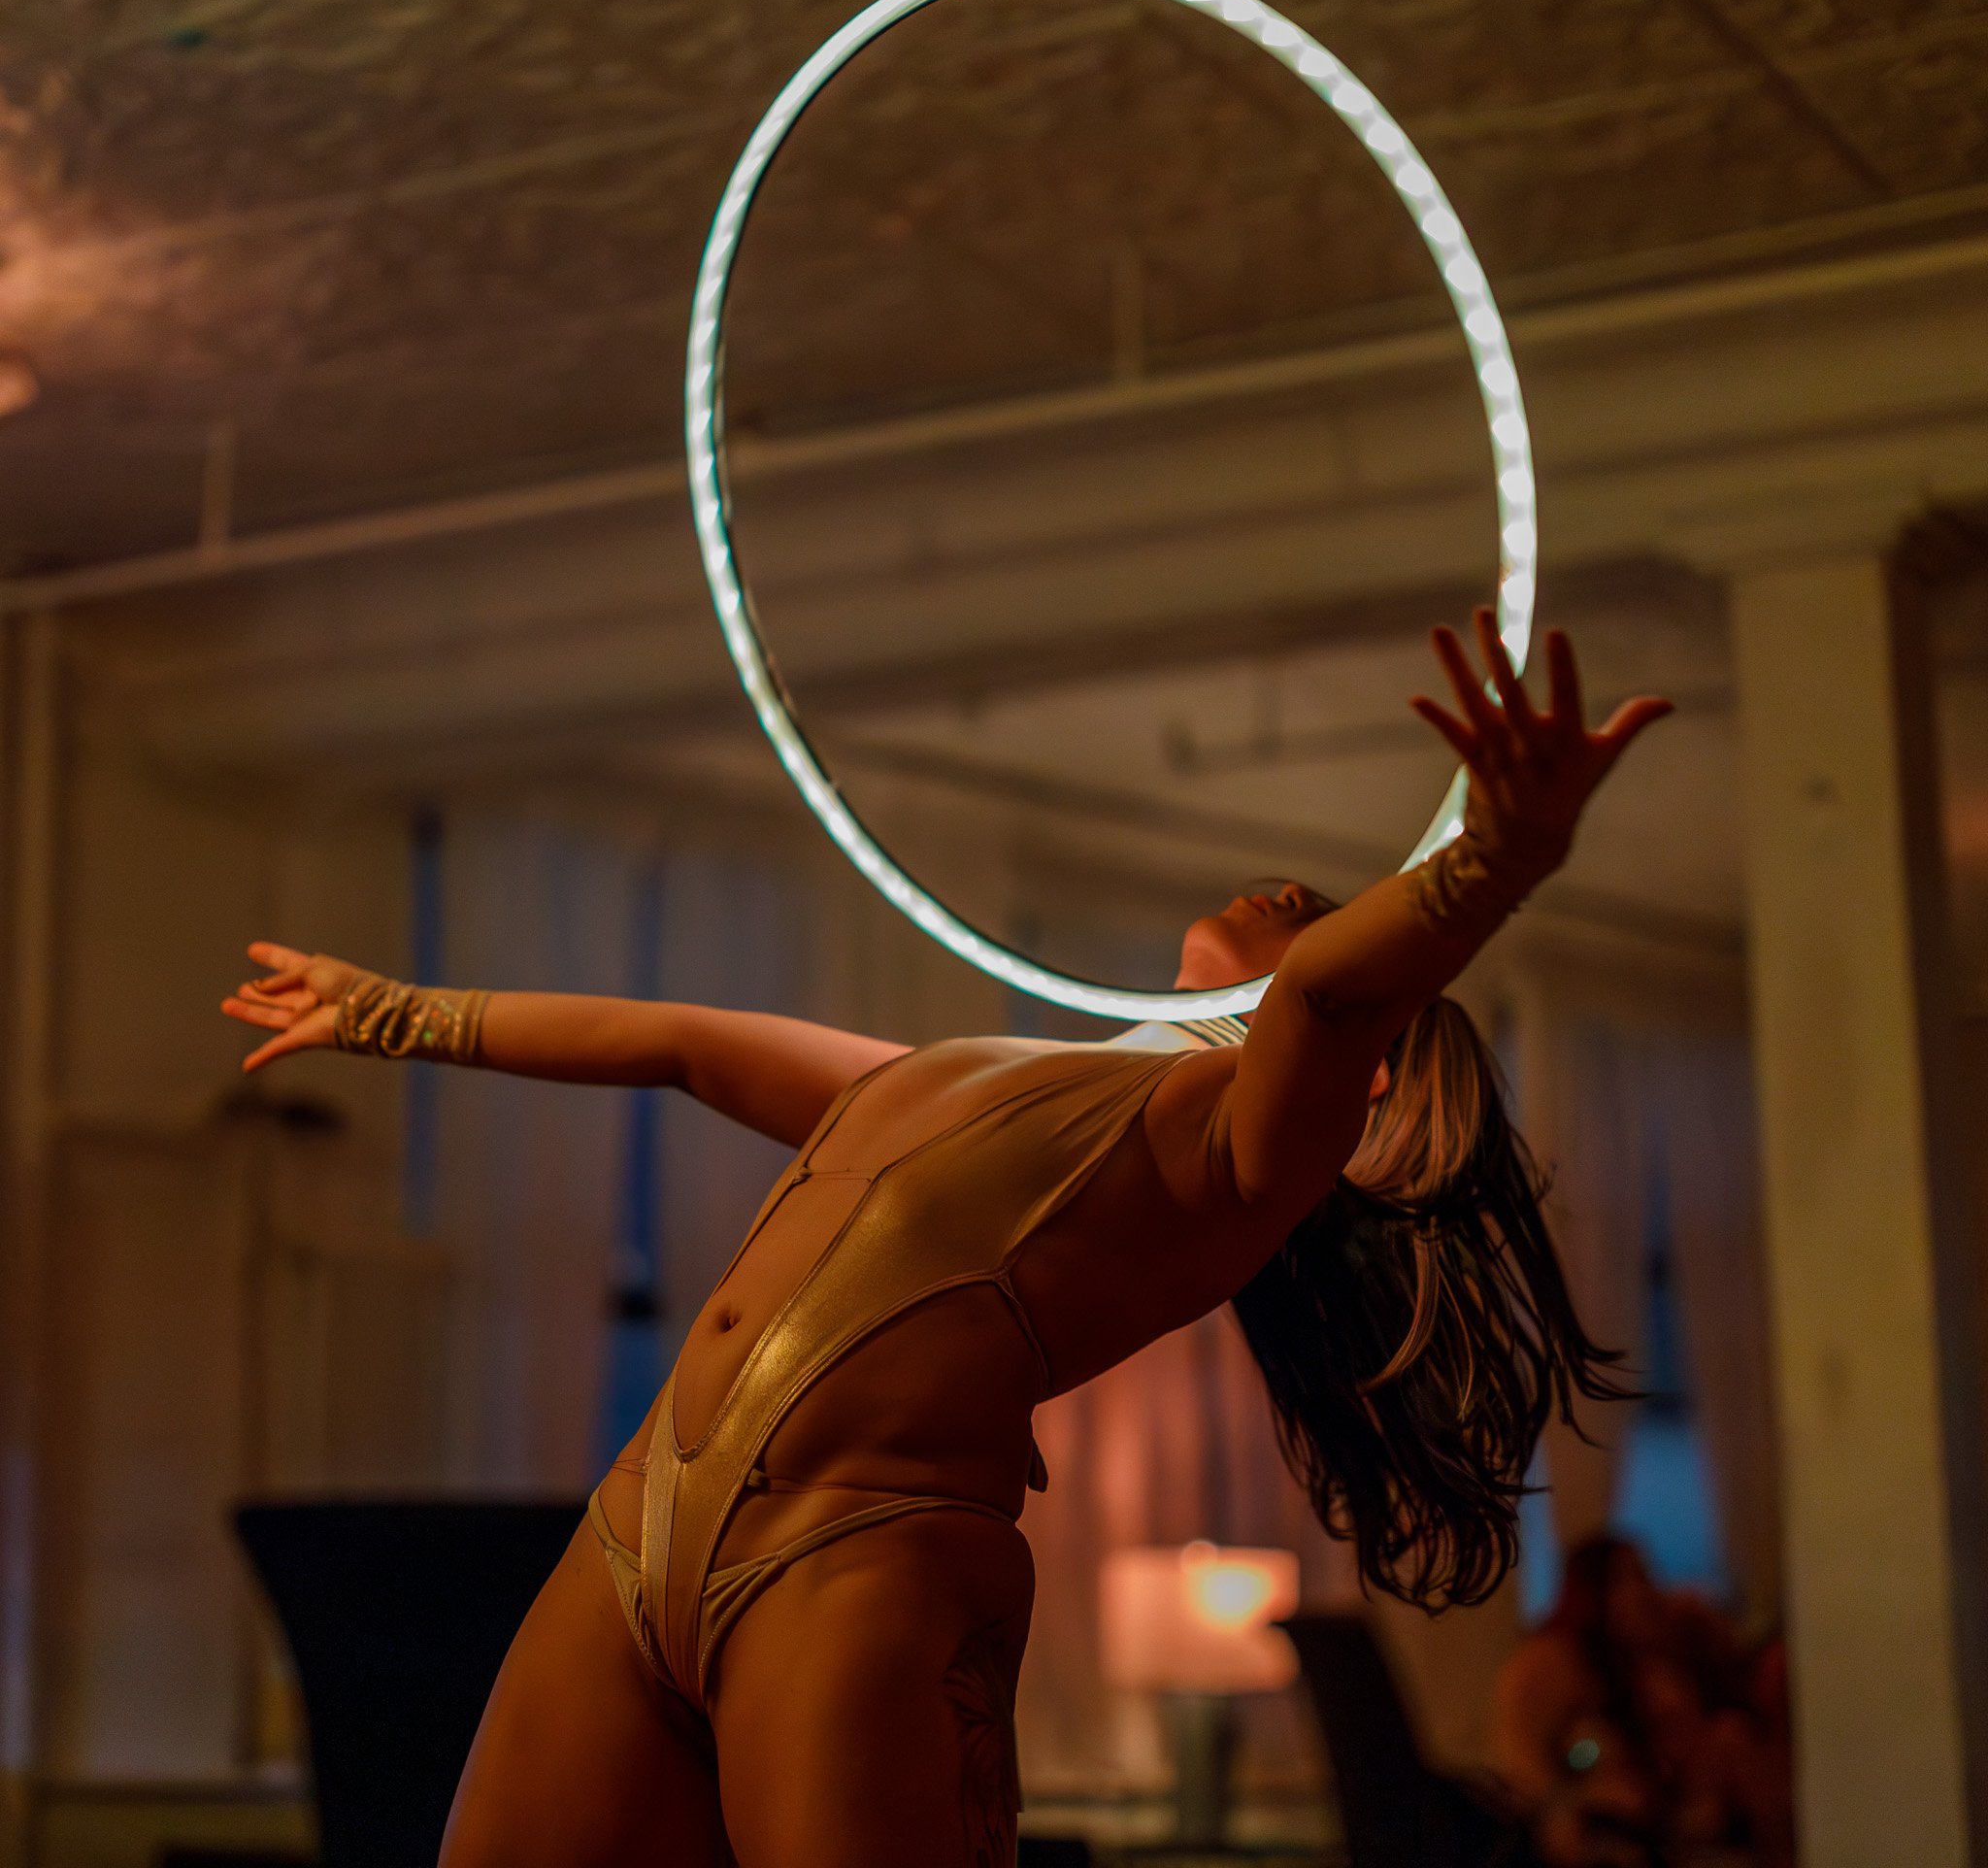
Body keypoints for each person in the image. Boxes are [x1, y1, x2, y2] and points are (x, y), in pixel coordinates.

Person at [221, 611, 1669, 1868]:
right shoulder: (991, 1077)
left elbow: (1337, 998)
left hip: (849, 1567)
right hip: (633, 1535)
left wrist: (1500, 858)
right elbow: (683, 1044)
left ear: (1363, 1080)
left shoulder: (1232, 1151)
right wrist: (400, 1014)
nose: (1297, 894)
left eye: (1331, 916)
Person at [1492, 1536, 1795, 1867]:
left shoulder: (1664, 1655)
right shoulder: (1567, 1669)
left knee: (1735, 1735)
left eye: (1643, 1576)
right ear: (1593, 1594)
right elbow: (1561, 1762)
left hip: (1689, 1804)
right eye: (1622, 1580)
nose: (1639, 1592)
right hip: (1631, 1813)